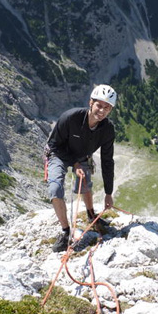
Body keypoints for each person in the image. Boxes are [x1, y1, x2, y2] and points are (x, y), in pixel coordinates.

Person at [45, 84, 117, 252]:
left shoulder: (107, 129)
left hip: (82, 155)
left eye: (107, 108)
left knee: (84, 183)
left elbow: (107, 161)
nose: (102, 110)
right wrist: (75, 163)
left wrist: (108, 193)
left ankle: (92, 215)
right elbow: (54, 145)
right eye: (99, 105)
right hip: (58, 153)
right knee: (55, 187)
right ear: (90, 102)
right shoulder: (70, 118)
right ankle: (65, 232)